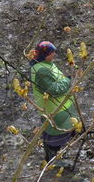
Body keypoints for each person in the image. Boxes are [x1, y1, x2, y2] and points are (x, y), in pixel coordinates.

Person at [28, 41, 80, 169]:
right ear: (46, 55)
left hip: (61, 108)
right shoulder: (42, 71)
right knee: (55, 136)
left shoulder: (46, 64)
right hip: (54, 110)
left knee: (63, 131)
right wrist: (69, 80)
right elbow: (54, 90)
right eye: (52, 52)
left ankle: (55, 155)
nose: (55, 54)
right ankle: (52, 161)